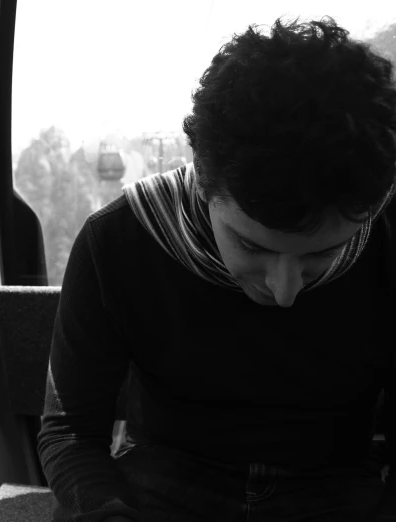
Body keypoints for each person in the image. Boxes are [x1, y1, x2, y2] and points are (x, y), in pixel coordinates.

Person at [37, 16, 396, 522]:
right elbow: (70, 430)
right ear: (201, 180)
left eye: (321, 252)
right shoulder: (118, 241)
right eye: (252, 245)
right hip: (165, 477)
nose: (285, 291)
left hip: (336, 485)